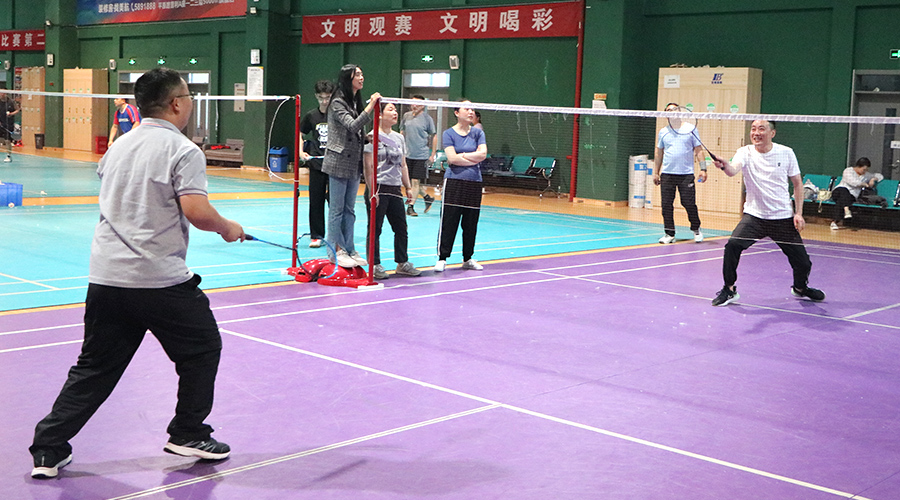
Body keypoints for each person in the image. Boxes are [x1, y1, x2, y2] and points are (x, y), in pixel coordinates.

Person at [29, 68, 245, 479]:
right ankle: (189, 431)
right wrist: (227, 227)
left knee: (95, 368)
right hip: (157, 278)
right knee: (202, 348)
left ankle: (48, 448)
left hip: (107, 277)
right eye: (188, 96)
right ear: (176, 103)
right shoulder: (183, 150)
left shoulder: (119, 147)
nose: (190, 102)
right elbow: (197, 212)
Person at [710, 119, 825, 306]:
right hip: (755, 217)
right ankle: (729, 289)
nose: (756, 133)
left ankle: (800, 288)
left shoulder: (786, 152)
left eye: (761, 129)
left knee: (803, 263)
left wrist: (798, 213)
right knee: (732, 246)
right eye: (753, 129)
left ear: (772, 133)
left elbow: (797, 183)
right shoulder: (745, 152)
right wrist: (724, 165)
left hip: (782, 217)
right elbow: (732, 170)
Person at [321, 64, 381, 268]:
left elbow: (356, 132)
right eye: (357, 75)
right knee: (336, 210)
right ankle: (334, 250)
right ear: (348, 79)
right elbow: (353, 125)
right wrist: (371, 107)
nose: (362, 78)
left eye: (362, 74)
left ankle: (349, 248)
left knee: (350, 210)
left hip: (354, 162)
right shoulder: (337, 102)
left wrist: (367, 137)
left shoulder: (354, 101)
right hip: (338, 162)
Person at [363, 102, 421, 279]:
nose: (395, 112)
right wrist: (372, 191)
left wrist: (408, 187)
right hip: (378, 187)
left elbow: (403, 164)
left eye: (395, 109)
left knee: (401, 227)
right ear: (380, 115)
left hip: (394, 188)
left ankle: (402, 263)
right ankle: (374, 264)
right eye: (390, 109)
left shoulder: (399, 138)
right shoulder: (371, 137)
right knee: (375, 228)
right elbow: (368, 167)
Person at [435, 100, 487, 272]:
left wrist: (462, 156)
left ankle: (468, 258)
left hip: (474, 182)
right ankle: (442, 258)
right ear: (457, 113)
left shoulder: (478, 133)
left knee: (471, 222)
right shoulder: (448, 134)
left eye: (472, 109)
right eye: (467, 108)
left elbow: (483, 154)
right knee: (449, 220)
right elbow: (451, 158)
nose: (471, 111)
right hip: (454, 182)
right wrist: (472, 157)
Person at [653, 102, 706, 243]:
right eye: (669, 110)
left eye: (674, 109)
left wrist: (703, 169)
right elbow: (659, 153)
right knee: (666, 205)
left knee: (688, 203)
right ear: (665, 115)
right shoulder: (663, 132)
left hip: (686, 175)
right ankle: (669, 234)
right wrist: (655, 172)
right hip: (667, 174)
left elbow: (698, 150)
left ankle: (696, 229)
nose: (672, 112)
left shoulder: (690, 129)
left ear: (680, 112)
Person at [299, 80, 335, 248]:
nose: (324, 101)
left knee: (335, 202)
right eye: (321, 98)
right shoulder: (311, 116)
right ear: (316, 96)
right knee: (316, 200)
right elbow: (300, 134)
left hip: (335, 164)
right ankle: (316, 235)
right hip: (317, 164)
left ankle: (336, 235)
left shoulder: (337, 115)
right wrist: (301, 152)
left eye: (327, 97)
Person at [399, 95, 437, 217]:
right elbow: (402, 132)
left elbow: (434, 136)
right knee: (411, 183)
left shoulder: (427, 119)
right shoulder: (406, 116)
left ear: (423, 105)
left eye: (417, 103)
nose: (414, 105)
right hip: (407, 154)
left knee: (415, 182)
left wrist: (433, 154)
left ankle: (410, 207)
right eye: (412, 103)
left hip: (421, 156)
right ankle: (427, 198)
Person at [830, 157, 883, 230]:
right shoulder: (848, 171)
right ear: (858, 166)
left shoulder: (866, 175)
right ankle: (846, 210)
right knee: (844, 190)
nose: (865, 172)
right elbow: (852, 182)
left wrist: (873, 179)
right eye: (863, 169)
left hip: (851, 196)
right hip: (838, 192)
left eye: (866, 170)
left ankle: (836, 220)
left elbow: (880, 176)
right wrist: (864, 184)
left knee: (842, 200)